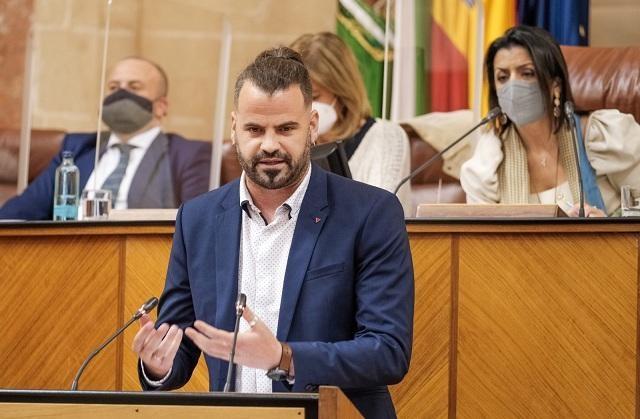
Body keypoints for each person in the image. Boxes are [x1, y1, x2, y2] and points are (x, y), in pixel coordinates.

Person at [132, 47, 414, 419]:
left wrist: (285, 357)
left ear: (311, 126)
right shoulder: (196, 219)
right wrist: (158, 365)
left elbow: (387, 351)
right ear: (234, 126)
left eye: (285, 129)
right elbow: (182, 348)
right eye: (254, 129)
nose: (268, 145)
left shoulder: (371, 213)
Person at [0, 57, 211, 220]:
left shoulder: (188, 154)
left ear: (161, 106)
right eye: (113, 87)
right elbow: (18, 213)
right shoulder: (77, 148)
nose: (120, 94)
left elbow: (197, 227)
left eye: (134, 87)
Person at [460, 25, 640, 216]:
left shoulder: (600, 136)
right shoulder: (489, 160)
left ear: (556, 85)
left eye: (527, 73)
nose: (513, 85)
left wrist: (608, 229)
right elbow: (479, 242)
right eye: (503, 77)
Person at [290, 32, 412, 216]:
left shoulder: (385, 137)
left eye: (314, 97)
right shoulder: (288, 144)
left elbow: (378, 216)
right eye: (297, 98)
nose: (306, 108)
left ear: (342, 92)